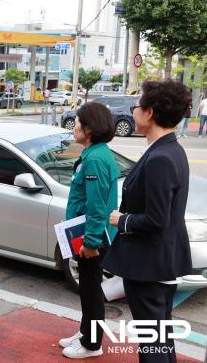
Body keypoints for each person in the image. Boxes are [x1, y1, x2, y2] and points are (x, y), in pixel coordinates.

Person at [104, 79, 192, 363]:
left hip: (149, 264)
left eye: (137, 105)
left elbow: (157, 219)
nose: (133, 111)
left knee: (152, 341)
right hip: (158, 260)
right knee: (159, 337)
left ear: (150, 112)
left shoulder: (161, 157)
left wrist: (123, 220)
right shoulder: (169, 149)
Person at [59, 102, 119, 359]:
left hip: (92, 236)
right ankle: (86, 332)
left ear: (90, 128)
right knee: (87, 288)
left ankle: (92, 344)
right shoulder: (94, 153)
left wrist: (91, 242)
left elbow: (97, 206)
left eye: (79, 122)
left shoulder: (95, 159)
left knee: (92, 291)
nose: (75, 126)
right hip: (87, 233)